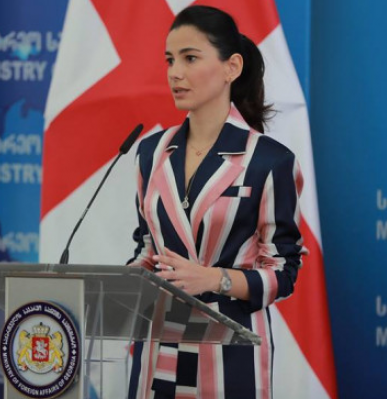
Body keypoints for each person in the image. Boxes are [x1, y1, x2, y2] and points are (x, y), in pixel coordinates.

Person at [127, 5, 307, 399]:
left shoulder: (269, 161)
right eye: (170, 60)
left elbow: (284, 273)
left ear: (232, 67)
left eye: (190, 58)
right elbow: (147, 247)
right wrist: (123, 281)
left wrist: (214, 279)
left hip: (229, 357)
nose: (175, 72)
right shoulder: (150, 153)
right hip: (158, 348)